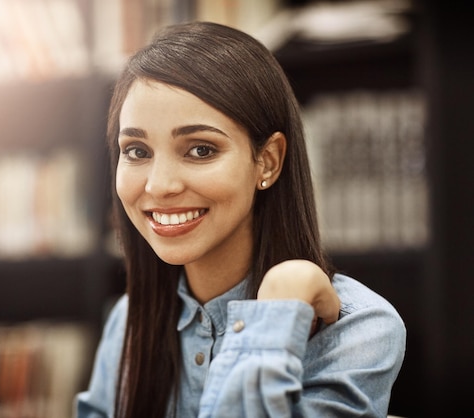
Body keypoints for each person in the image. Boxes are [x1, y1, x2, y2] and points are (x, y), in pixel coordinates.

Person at [76, 21, 406, 418]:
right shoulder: (129, 320)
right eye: (137, 151)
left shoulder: (359, 329)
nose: (159, 186)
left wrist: (276, 312)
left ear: (267, 161)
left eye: (200, 150)